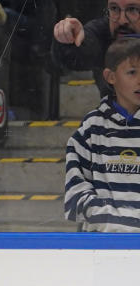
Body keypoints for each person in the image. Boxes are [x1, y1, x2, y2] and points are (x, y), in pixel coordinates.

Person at [64, 37, 140, 232]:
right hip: (100, 244)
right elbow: (76, 195)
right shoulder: (91, 128)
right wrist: (114, 224)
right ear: (110, 77)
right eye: (132, 72)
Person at [52, 0, 140, 98]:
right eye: (114, 8)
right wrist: (68, 36)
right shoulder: (102, 32)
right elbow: (77, 54)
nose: (122, 20)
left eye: (133, 9)